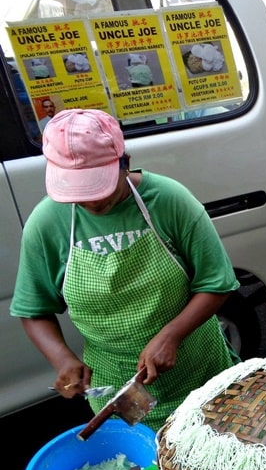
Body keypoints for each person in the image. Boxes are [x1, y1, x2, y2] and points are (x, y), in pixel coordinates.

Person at [10, 109, 240, 431]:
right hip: (120, 387)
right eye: (77, 191)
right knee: (150, 463)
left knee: (220, 451)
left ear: (125, 162)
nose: (89, 202)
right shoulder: (47, 223)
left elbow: (217, 282)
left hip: (199, 370)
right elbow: (33, 309)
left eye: (97, 187)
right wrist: (62, 359)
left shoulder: (169, 200)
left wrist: (172, 334)